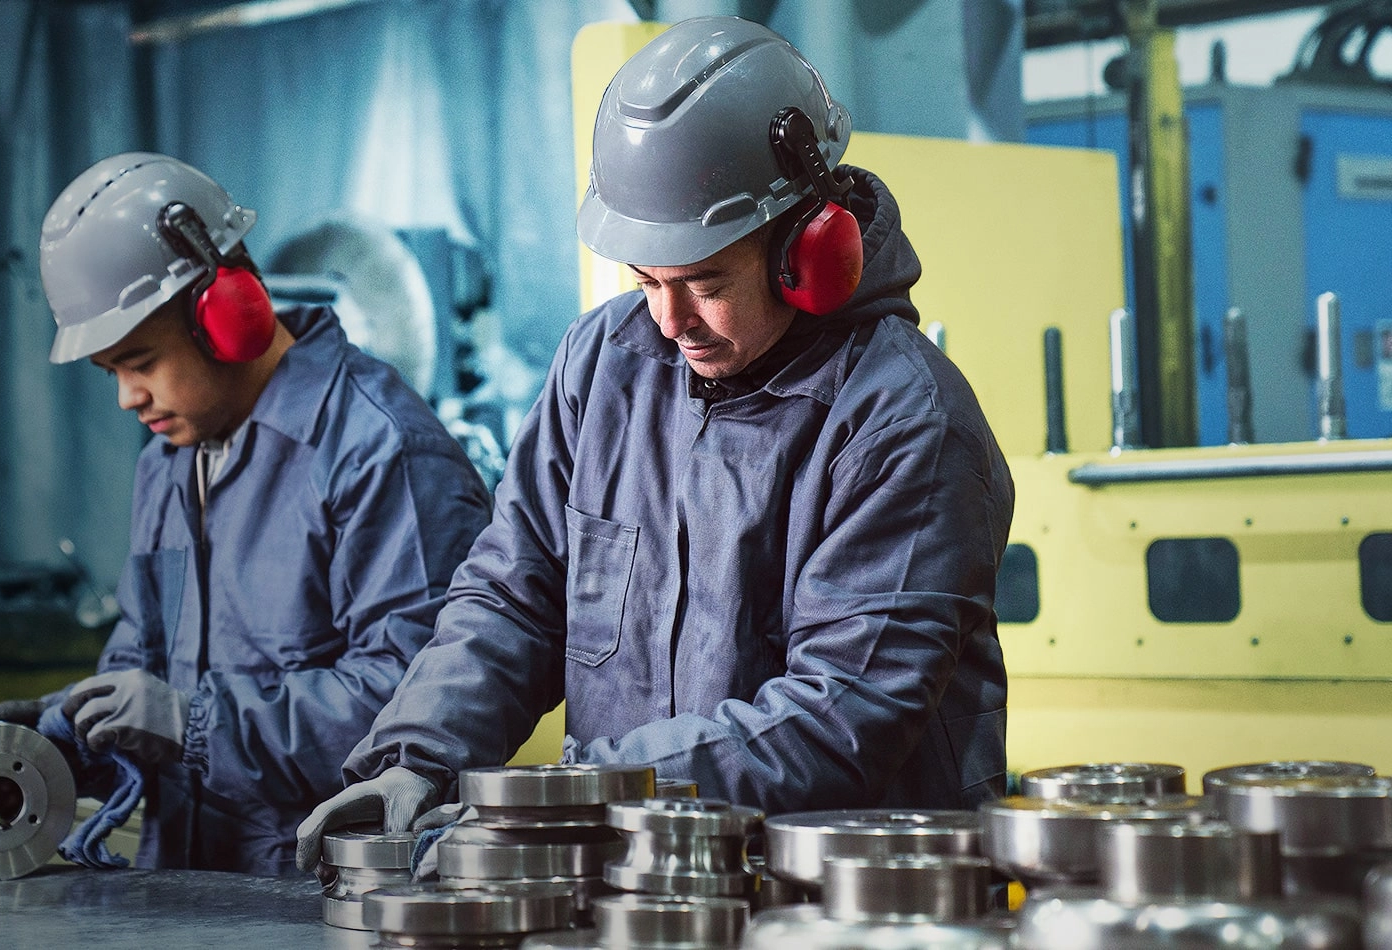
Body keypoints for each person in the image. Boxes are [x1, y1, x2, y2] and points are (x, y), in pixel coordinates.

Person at [296, 17, 1013, 868]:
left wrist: (574, 796)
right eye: (647, 282)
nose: (671, 323)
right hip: (646, 882)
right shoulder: (603, 363)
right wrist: (418, 752)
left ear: (808, 248)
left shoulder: (903, 420)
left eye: (706, 283)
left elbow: (841, 714)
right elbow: (515, 591)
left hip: (846, 900)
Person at [6, 153, 491, 876]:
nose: (127, 398)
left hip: (323, 898)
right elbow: (144, 658)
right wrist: (73, 740)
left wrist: (189, 723)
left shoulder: (379, 449)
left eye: (141, 361)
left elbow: (417, 707)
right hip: (183, 892)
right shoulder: (168, 465)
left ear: (228, 313)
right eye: (111, 373)